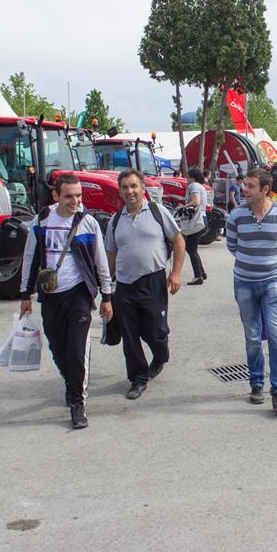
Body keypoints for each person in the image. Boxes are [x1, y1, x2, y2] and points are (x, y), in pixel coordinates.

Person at [20, 174, 113, 430]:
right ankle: (70, 378)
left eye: (78, 195)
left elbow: (100, 261)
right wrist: (25, 294)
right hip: (51, 295)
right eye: (69, 196)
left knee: (76, 350)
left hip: (79, 294)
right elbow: (29, 257)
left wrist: (106, 296)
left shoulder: (88, 223)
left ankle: (77, 403)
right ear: (56, 196)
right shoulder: (41, 221)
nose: (75, 201)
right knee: (58, 347)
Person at [105, 169, 185, 401]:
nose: (129, 191)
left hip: (153, 281)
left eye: (134, 186)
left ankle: (160, 355)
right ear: (120, 191)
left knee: (156, 332)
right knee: (130, 335)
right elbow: (111, 254)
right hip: (125, 285)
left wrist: (176, 273)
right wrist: (105, 288)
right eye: (125, 187)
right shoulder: (115, 220)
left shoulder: (158, 212)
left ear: (143, 188)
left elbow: (178, 241)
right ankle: (138, 378)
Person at [226, 168, 277, 413]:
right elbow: (232, 246)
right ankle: (256, 384)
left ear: (265, 189)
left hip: (273, 283)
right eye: (244, 185)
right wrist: (252, 264)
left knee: (276, 335)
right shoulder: (236, 216)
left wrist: (274, 268)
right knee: (253, 337)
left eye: (250, 186)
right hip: (244, 283)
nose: (244, 189)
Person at [184, 168, 208, 285]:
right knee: (192, 248)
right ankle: (201, 272)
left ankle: (198, 276)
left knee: (191, 248)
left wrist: (183, 207)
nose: (186, 179)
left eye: (187, 177)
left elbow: (196, 201)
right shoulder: (201, 186)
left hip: (197, 221)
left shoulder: (193, 186)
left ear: (192, 177)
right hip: (203, 219)